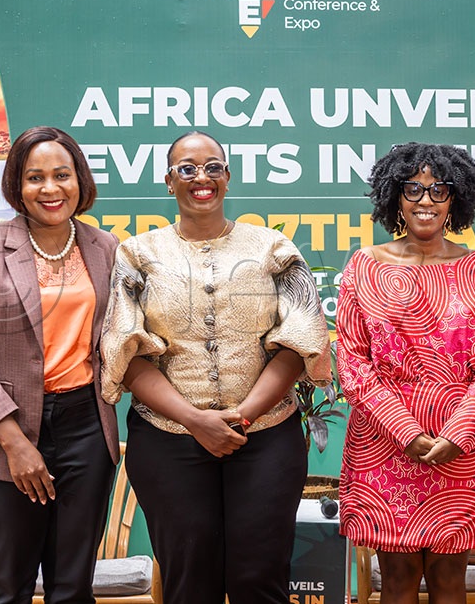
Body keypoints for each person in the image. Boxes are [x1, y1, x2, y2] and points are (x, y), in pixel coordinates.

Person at [100, 131, 332, 604]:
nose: (200, 178)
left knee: (259, 581)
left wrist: (242, 415)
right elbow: (127, 353)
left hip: (266, 435)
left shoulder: (273, 248)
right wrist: (196, 421)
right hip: (168, 440)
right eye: (186, 168)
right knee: (189, 583)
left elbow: (299, 341)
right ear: (169, 181)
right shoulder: (136, 254)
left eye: (213, 167)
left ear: (227, 177)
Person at [0, 126, 120, 603]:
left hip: (87, 429)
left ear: (80, 180)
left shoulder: (105, 249)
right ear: (16, 186)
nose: (49, 188)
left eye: (62, 175)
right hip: (8, 429)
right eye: (34, 177)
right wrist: (14, 441)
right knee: (7, 586)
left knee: (72, 586)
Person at [337, 142, 475, 604]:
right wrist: (405, 431)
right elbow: (353, 364)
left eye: (439, 190)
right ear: (395, 196)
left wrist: (457, 433)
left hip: (462, 447)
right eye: (413, 189)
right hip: (384, 443)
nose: (426, 200)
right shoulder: (365, 266)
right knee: (394, 579)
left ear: (457, 198)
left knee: (451, 579)